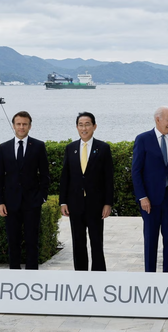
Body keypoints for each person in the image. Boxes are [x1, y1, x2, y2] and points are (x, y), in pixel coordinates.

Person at [132, 106, 168, 272]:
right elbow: (136, 171)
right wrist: (142, 197)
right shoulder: (143, 139)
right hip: (150, 200)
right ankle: (150, 275)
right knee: (151, 239)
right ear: (158, 120)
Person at [0, 111, 50, 270]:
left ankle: (32, 276)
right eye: (18, 124)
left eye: (24, 124)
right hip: (10, 204)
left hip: (32, 203)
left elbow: (45, 175)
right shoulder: (4, 148)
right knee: (13, 242)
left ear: (30, 126)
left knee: (32, 242)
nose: (21, 127)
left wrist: (41, 198)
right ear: (13, 126)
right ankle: (14, 275)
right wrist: (0, 202)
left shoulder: (39, 146)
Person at [59, 112, 114, 271]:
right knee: (78, 242)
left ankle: (99, 276)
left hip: (95, 204)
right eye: (81, 125)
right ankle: (80, 276)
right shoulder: (70, 148)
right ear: (77, 127)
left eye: (87, 124)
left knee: (96, 242)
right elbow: (65, 177)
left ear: (94, 126)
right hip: (75, 204)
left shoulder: (103, 148)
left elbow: (108, 178)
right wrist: (63, 201)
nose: (84, 128)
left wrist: (108, 203)